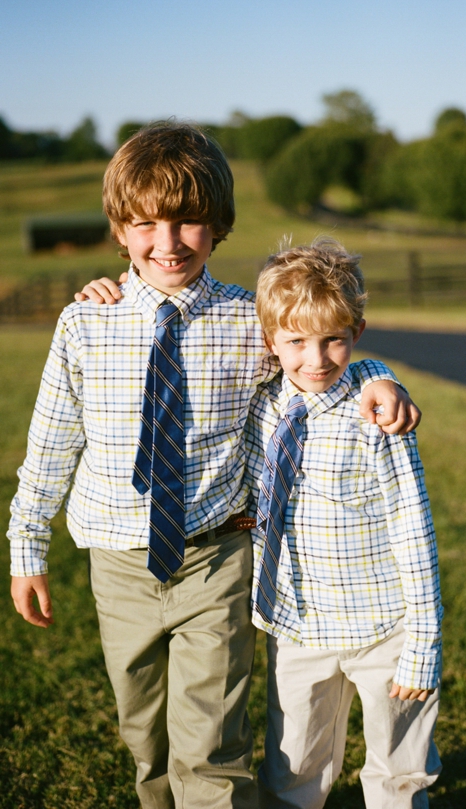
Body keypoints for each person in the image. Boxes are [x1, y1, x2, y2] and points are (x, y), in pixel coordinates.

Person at [7, 123, 420, 809]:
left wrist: (376, 373)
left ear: (218, 225)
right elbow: (49, 444)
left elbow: (314, 352)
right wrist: (28, 547)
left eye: (189, 222)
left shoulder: (246, 319)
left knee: (213, 742)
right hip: (118, 564)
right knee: (144, 733)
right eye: (145, 224)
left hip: (216, 554)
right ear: (119, 229)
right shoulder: (84, 325)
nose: (166, 243)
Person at [244, 239, 443, 809]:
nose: (317, 358)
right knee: (292, 767)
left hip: (383, 625)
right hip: (297, 624)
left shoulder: (375, 414)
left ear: (356, 332)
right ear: (271, 342)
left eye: (333, 338)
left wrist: (423, 641)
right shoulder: (263, 407)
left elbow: (413, 525)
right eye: (297, 342)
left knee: (400, 768)